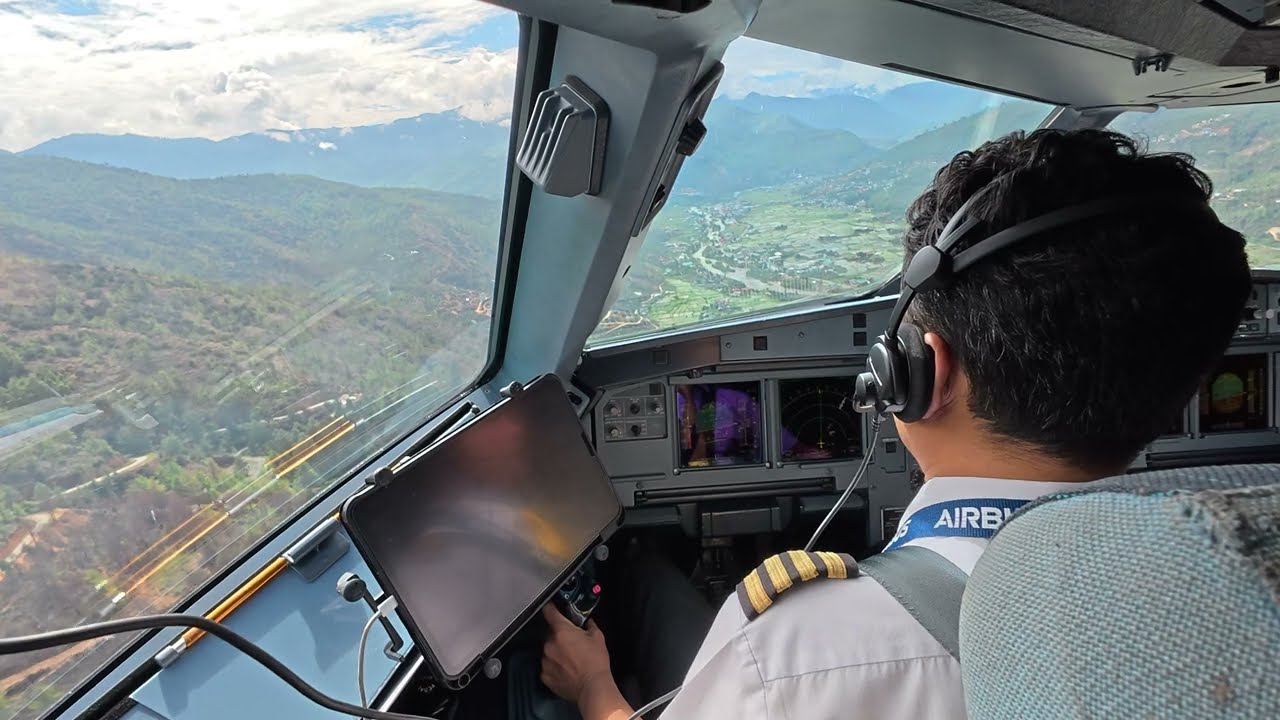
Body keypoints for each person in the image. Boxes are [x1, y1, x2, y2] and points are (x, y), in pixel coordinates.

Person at [538, 128, 1253, 719]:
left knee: (649, 581)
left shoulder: (794, 662)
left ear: (918, 371)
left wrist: (596, 692)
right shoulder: (1251, 602)